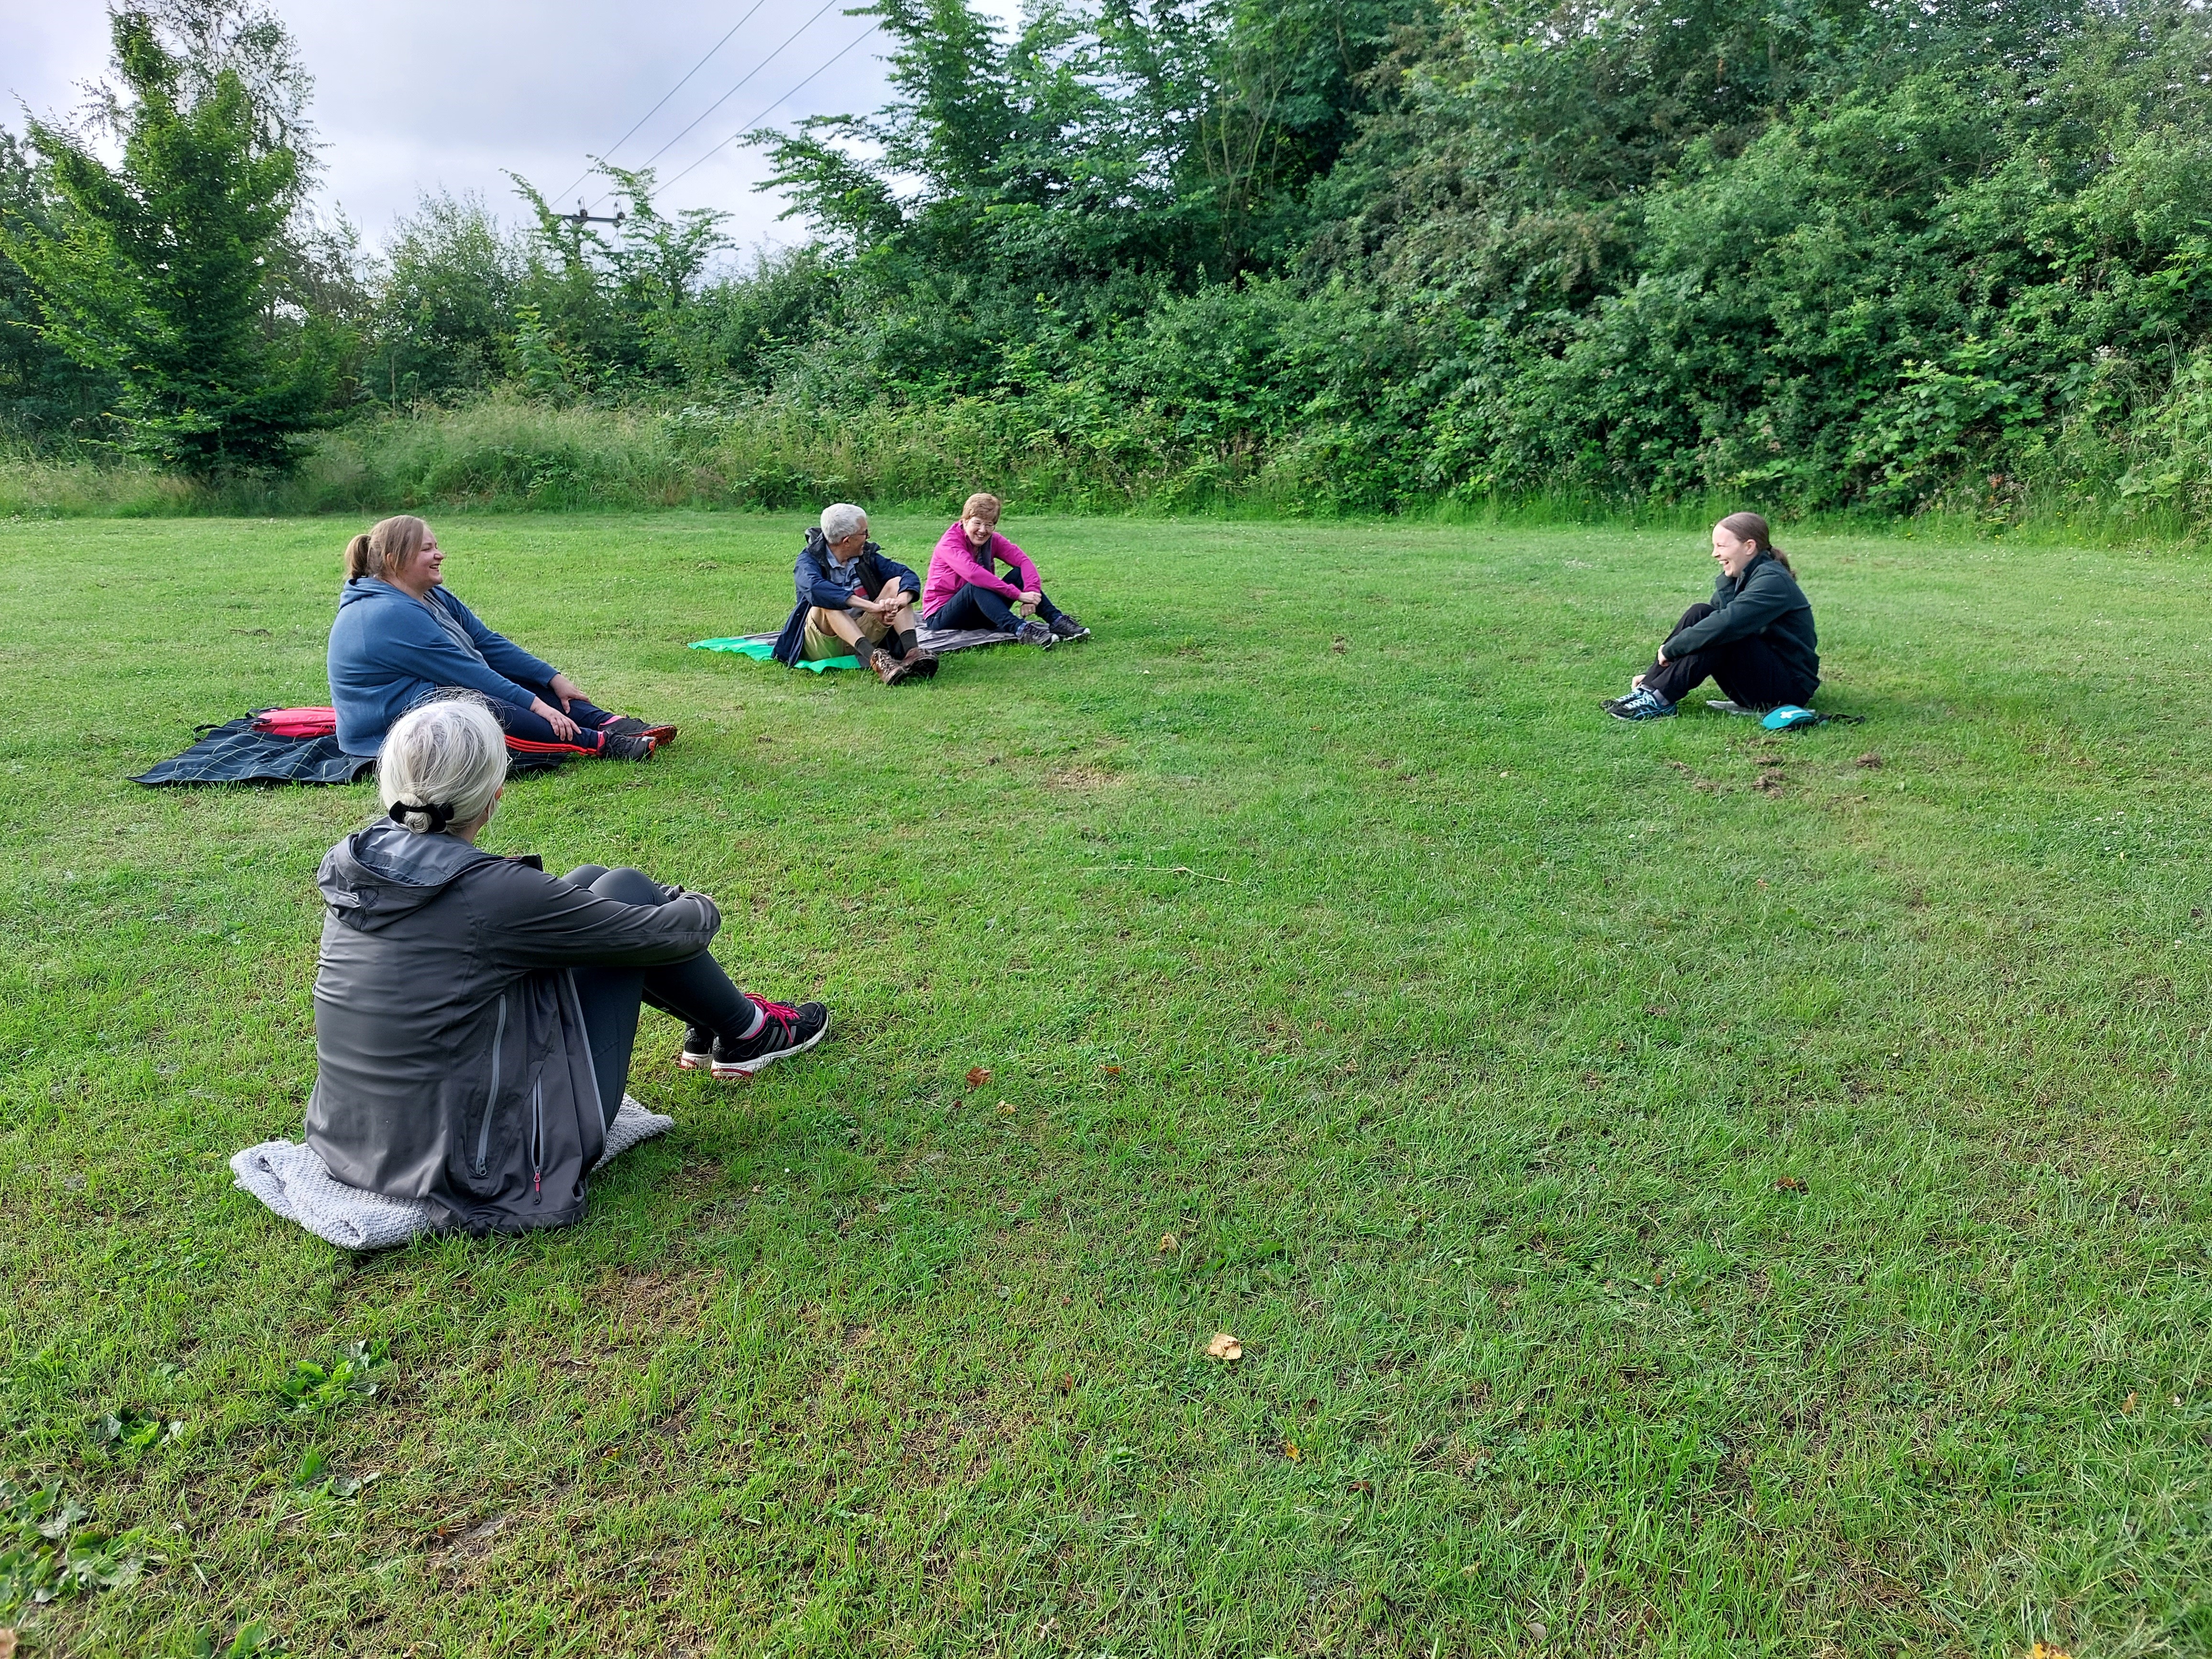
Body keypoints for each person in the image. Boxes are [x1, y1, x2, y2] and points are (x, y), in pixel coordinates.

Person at [305, 698, 829, 1233]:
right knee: (627, 892)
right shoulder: (493, 895)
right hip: (485, 1168)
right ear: (495, 794)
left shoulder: (356, 861)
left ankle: (735, 1027)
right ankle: (747, 1031)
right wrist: (685, 898)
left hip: (352, 1141)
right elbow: (680, 931)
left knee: (590, 880)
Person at [328, 515, 673, 760]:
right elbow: (467, 673)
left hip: (436, 691)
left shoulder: (431, 595)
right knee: (486, 708)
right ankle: (598, 742)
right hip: (389, 725)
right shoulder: (387, 614)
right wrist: (538, 707)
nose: (440, 555)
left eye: (437, 547)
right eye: (427, 550)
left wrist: (551, 678)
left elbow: (487, 645)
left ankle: (610, 723)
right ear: (393, 560)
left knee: (526, 687)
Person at [1606, 512, 1819, 721]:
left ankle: (1660, 699)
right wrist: (1654, 675)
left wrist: (1671, 649)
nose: (1715, 554)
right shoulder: (1740, 578)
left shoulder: (1772, 581)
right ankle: (1649, 690)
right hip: (1759, 681)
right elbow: (1707, 622)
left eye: (1721, 546)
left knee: (1724, 632)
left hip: (1789, 691)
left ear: (1749, 547)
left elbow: (1727, 625)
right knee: (1700, 612)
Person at [771, 504, 938, 686]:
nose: (868, 537)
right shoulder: (808, 560)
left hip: (860, 631)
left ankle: (912, 653)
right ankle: (876, 660)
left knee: (897, 583)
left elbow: (907, 575)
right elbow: (815, 588)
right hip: (824, 642)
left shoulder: (865, 555)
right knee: (826, 602)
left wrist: (898, 603)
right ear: (847, 541)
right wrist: (871, 607)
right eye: (864, 533)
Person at [922, 493, 1087, 647]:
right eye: (977, 523)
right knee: (976, 584)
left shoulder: (993, 540)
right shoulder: (949, 544)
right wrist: (1017, 595)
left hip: (980, 612)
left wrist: (1031, 592)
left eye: (989, 525)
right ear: (965, 521)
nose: (983, 530)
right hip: (941, 616)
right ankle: (1022, 630)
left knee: (1017, 574)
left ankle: (1057, 620)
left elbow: (1023, 562)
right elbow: (973, 574)